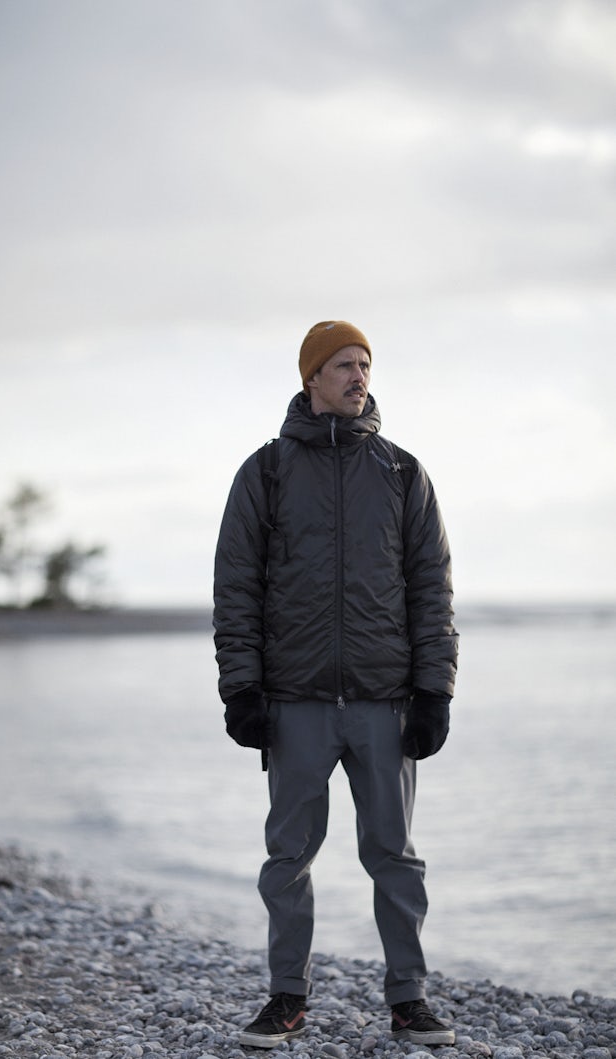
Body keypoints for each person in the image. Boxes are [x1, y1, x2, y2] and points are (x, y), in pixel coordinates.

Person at [213, 320, 459, 1049]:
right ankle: (287, 996)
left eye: (365, 364)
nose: (359, 376)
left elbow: (431, 588)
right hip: (295, 703)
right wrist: (242, 687)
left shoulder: (402, 472)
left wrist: (435, 690)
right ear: (311, 377)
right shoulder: (265, 472)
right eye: (344, 365)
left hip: (386, 701)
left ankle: (409, 997)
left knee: (394, 853)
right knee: (288, 856)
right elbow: (236, 587)